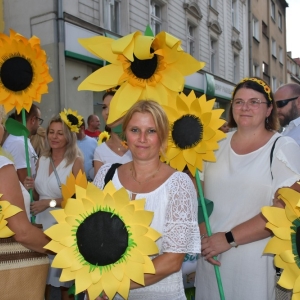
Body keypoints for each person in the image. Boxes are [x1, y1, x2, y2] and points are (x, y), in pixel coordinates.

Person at [195, 77, 300, 300]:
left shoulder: (282, 147)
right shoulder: (215, 145)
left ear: (269, 108)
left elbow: (285, 212)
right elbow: (199, 197)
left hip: (254, 260)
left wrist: (228, 239)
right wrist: (207, 238)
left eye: (254, 102)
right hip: (211, 256)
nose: (245, 108)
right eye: (239, 102)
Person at [93, 100, 200, 300]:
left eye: (151, 131)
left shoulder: (179, 185)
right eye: (135, 130)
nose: (142, 138)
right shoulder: (107, 175)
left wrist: (116, 284)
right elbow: (90, 234)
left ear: (162, 136)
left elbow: (172, 260)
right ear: (125, 133)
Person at [24, 114, 84, 300]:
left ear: (69, 136)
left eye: (60, 133)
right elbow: (37, 197)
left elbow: (80, 200)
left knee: (64, 283)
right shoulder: (41, 159)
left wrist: (49, 203)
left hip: (63, 226)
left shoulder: (76, 162)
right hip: (40, 225)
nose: (54, 137)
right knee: (42, 280)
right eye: (51, 132)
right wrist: (30, 188)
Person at [0, 105, 49, 252]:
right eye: (1, 123)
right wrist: (65, 249)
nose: (3, 128)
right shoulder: (2, 164)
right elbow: (22, 233)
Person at [93, 90, 132, 177]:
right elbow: (98, 189)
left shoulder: (141, 146)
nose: (107, 112)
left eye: (113, 106)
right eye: (104, 107)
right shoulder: (100, 151)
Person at [2, 103, 42, 183]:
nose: (39, 125)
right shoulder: (18, 143)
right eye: (39, 120)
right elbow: (24, 181)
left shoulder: (22, 140)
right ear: (33, 120)